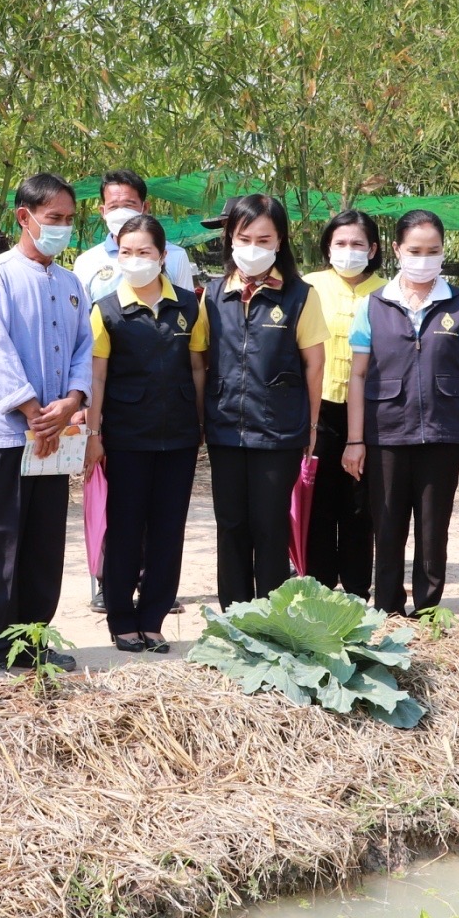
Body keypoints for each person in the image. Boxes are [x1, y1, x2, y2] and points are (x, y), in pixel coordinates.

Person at [0, 173, 92, 672]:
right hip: (5, 432)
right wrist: (33, 410)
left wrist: (74, 400)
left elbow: (84, 346)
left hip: (56, 432)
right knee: (1, 540)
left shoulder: (70, 282)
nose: (60, 228)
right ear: (25, 217)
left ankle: (34, 641)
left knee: (44, 540)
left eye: (67, 221)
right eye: (52, 219)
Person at [342, 210, 459, 616]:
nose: (424, 258)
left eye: (433, 250)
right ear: (396, 251)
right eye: (415, 250)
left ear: (443, 252)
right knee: (386, 529)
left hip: (443, 435)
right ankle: (387, 609)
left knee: (432, 529)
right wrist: (355, 440)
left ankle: (427, 611)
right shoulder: (374, 305)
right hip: (385, 433)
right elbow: (357, 376)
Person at [83, 213, 207, 650]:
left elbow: (197, 368)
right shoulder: (106, 310)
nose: (134, 260)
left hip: (178, 436)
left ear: (162, 255)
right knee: (126, 526)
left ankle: (153, 616)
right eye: (126, 252)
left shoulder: (190, 306)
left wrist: (201, 423)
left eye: (144, 252)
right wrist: (94, 435)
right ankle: (121, 618)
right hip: (125, 436)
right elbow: (96, 378)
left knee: (168, 528)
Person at [202, 194, 325, 605]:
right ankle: (234, 616)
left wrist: (310, 428)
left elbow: (314, 366)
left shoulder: (301, 296)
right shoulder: (213, 295)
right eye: (244, 237)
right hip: (225, 430)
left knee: (270, 525)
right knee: (231, 524)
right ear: (230, 240)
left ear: (280, 241)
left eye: (263, 239)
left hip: (279, 431)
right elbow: (200, 360)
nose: (252, 248)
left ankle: (270, 618)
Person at [301, 210, 383, 597]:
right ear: (327, 247)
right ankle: (318, 584)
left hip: (369, 412)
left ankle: (355, 588)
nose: (348, 251)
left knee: (358, 502)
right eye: (340, 244)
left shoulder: (389, 291)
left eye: (357, 244)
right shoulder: (309, 286)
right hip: (319, 408)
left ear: (374, 249)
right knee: (318, 500)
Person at [71, 168, 196, 303]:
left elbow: (187, 309)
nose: (121, 213)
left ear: (145, 208)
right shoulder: (87, 262)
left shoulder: (175, 256)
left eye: (129, 205)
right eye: (113, 207)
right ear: (103, 212)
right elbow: (83, 318)